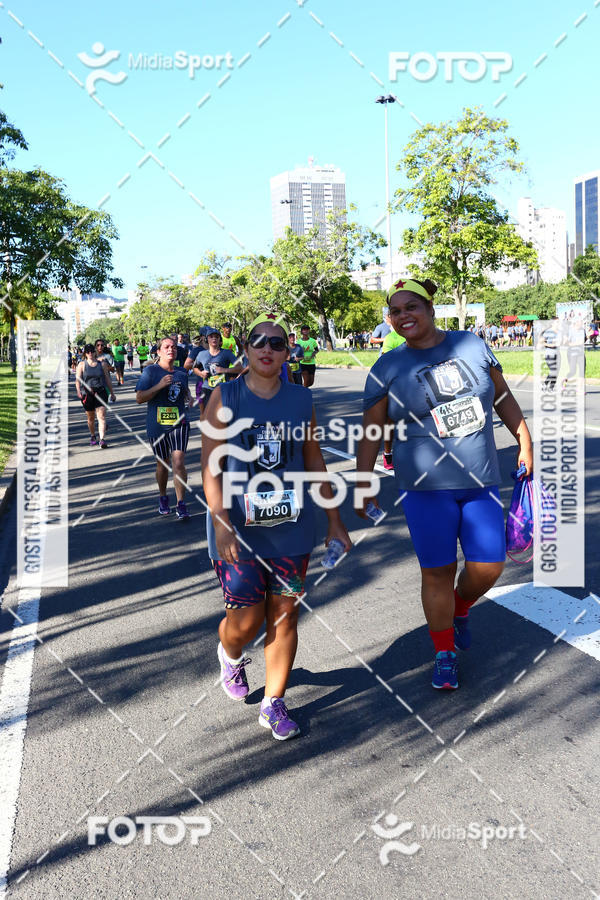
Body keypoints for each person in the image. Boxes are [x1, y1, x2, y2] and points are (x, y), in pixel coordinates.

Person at [356, 277, 533, 691]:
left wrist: (524, 439)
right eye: (395, 311)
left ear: (431, 309)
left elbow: (501, 396)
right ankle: (444, 653)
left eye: (411, 307)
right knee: (436, 571)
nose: (403, 316)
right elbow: (371, 430)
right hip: (424, 487)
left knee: (489, 566)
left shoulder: (471, 345)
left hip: (480, 479)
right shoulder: (388, 367)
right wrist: (363, 482)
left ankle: (460, 607)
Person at [201, 312, 351, 740]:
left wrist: (335, 520)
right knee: (245, 623)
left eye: (277, 343)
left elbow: (313, 459)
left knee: (285, 615)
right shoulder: (225, 396)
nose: (268, 349)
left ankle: (274, 702)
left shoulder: (301, 399)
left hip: (291, 526)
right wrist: (222, 523)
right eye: (259, 341)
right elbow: (210, 465)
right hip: (237, 528)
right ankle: (230, 653)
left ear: (288, 353)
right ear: (246, 350)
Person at [135, 336, 192, 519]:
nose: (171, 349)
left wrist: (189, 397)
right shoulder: (150, 372)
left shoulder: (182, 372)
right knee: (163, 463)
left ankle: (181, 503)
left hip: (179, 424)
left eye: (174, 347)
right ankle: (162, 496)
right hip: (157, 425)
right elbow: (139, 398)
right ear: (159, 351)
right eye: (166, 347)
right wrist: (159, 385)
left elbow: (184, 391)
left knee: (178, 462)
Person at [192, 328, 241, 413]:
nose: (214, 338)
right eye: (211, 337)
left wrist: (224, 370)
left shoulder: (227, 353)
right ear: (207, 339)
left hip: (223, 389)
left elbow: (240, 368)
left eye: (216, 337)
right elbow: (194, 368)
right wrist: (200, 373)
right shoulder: (201, 354)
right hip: (207, 389)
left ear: (220, 340)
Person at [76, 343, 115, 447]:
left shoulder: (102, 364)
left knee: (101, 416)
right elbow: (78, 380)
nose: (90, 353)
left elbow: (107, 379)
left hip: (101, 392)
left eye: (92, 351)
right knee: (91, 418)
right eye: (88, 351)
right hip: (87, 394)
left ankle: (102, 439)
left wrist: (112, 393)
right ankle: (93, 435)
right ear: (85, 353)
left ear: (95, 352)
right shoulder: (82, 365)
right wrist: (78, 391)